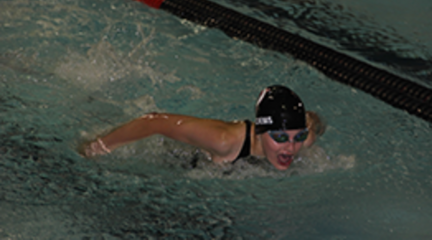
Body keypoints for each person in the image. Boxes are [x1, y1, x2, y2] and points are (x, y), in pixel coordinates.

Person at [82, 85, 326, 171]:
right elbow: (153, 121)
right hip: (175, 156)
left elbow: (312, 122)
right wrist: (101, 145)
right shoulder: (224, 141)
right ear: (261, 131)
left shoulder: (304, 138)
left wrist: (308, 126)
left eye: (298, 136)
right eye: (281, 137)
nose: (291, 147)